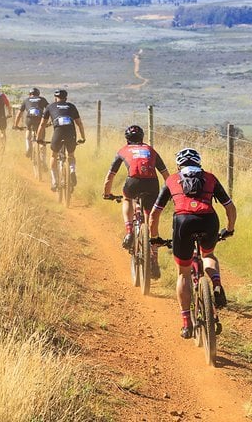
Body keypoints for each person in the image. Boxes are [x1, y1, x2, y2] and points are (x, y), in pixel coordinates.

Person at [148, 148, 237, 339]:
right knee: (208, 255)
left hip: (183, 223)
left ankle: (186, 323)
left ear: (179, 165)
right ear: (199, 163)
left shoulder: (171, 180)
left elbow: (155, 214)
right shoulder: (210, 178)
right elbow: (229, 207)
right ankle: (216, 283)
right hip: (209, 221)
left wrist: (154, 236)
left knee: (183, 273)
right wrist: (229, 229)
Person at [102, 125, 170, 278]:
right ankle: (154, 260)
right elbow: (166, 175)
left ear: (127, 139)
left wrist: (107, 194)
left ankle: (129, 231)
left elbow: (110, 177)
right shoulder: (151, 150)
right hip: (152, 184)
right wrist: (172, 193)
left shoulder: (123, 151)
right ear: (142, 138)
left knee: (126, 197)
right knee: (151, 219)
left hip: (132, 183)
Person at [36, 88, 85, 192]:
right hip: (71, 132)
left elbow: (42, 124)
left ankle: (54, 182)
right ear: (66, 98)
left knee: (53, 155)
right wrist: (83, 137)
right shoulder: (71, 106)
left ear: (55, 98)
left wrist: (38, 138)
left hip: (58, 132)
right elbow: (79, 123)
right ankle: (72, 170)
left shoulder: (50, 107)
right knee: (71, 155)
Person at [13, 87, 49, 157]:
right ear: (38, 94)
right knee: (42, 140)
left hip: (29, 119)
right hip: (39, 119)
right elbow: (49, 109)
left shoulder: (26, 100)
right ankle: (43, 161)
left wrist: (16, 125)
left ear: (30, 94)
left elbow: (19, 114)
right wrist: (49, 121)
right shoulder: (42, 99)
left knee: (28, 130)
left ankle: (28, 147)